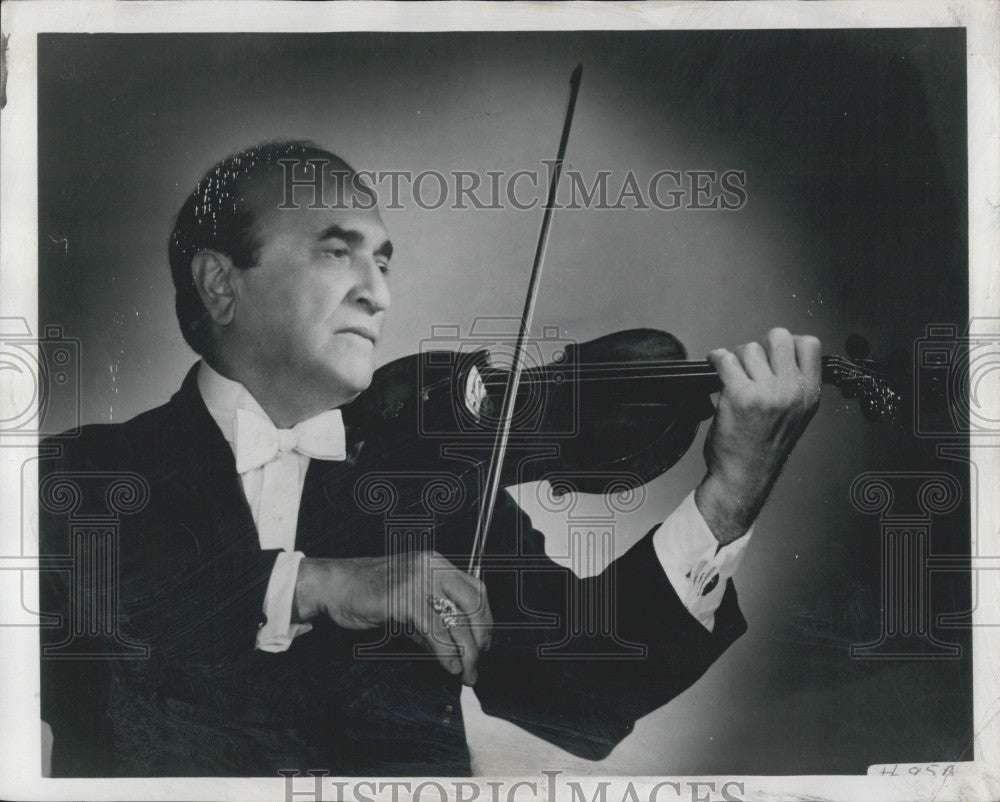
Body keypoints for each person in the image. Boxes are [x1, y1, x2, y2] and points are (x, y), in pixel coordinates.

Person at [39, 141, 822, 777]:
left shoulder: (430, 481)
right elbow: (96, 595)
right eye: (338, 252)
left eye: (384, 262)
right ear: (219, 282)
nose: (379, 293)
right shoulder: (83, 475)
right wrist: (322, 583)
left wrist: (730, 495)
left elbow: (586, 692)